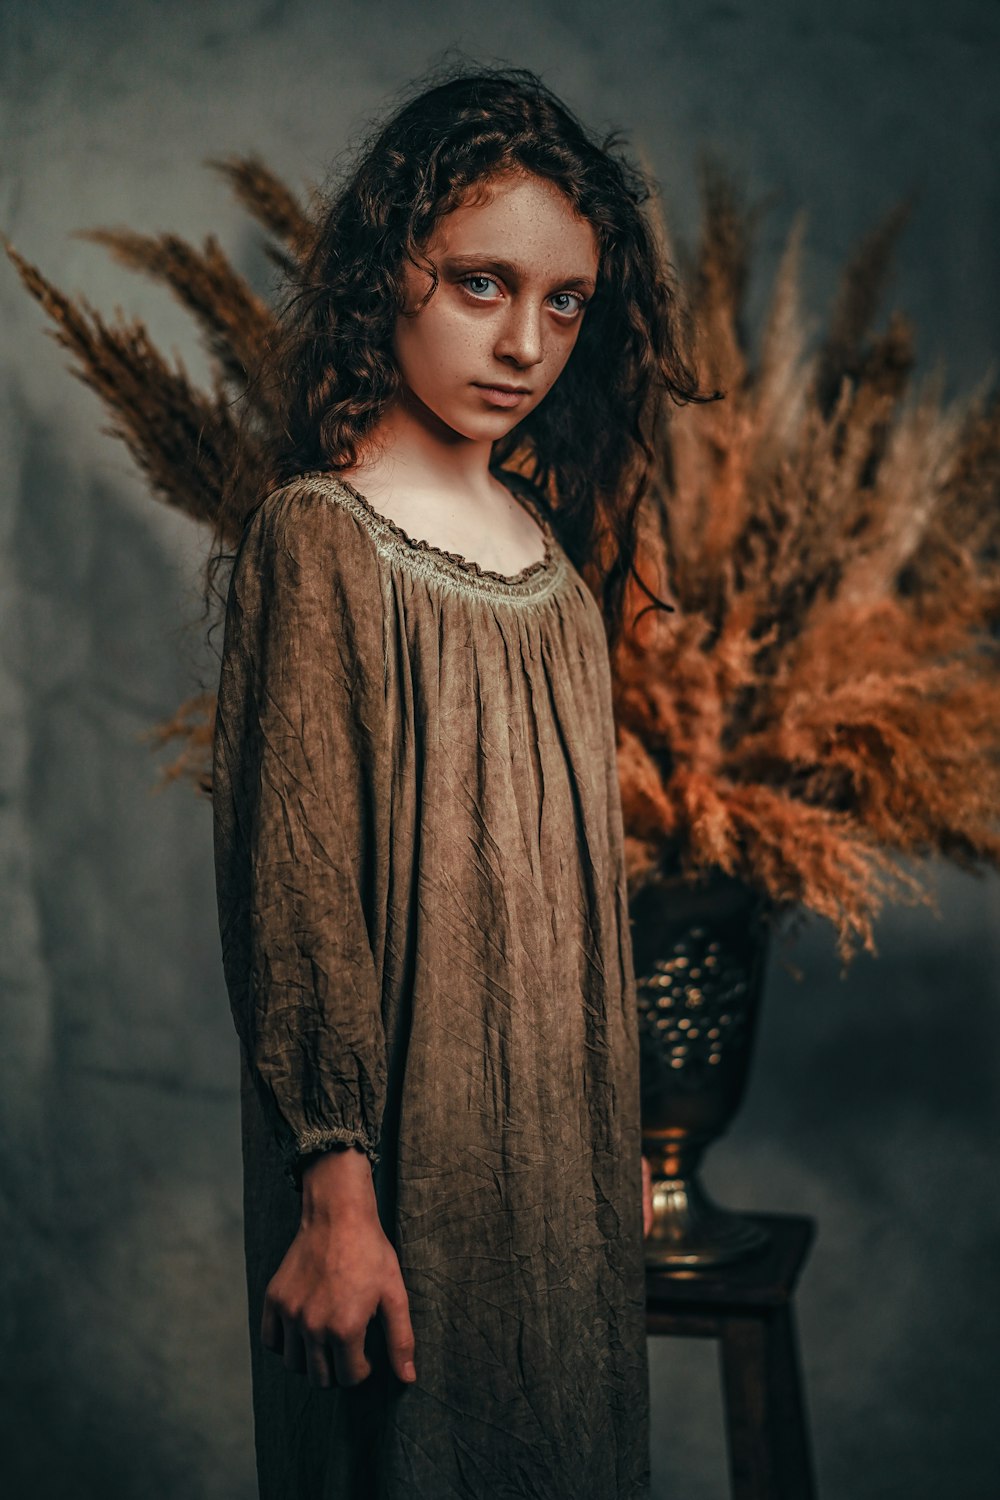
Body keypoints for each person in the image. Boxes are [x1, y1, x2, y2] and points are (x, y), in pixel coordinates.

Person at [210, 61, 715, 1500]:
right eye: (482, 285)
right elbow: (297, 887)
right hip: (393, 1185)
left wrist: (606, 1141)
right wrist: (335, 1188)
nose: (526, 340)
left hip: (557, 1177)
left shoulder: (554, 572)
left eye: (563, 302)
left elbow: (577, 895)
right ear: (394, 280)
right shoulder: (324, 542)